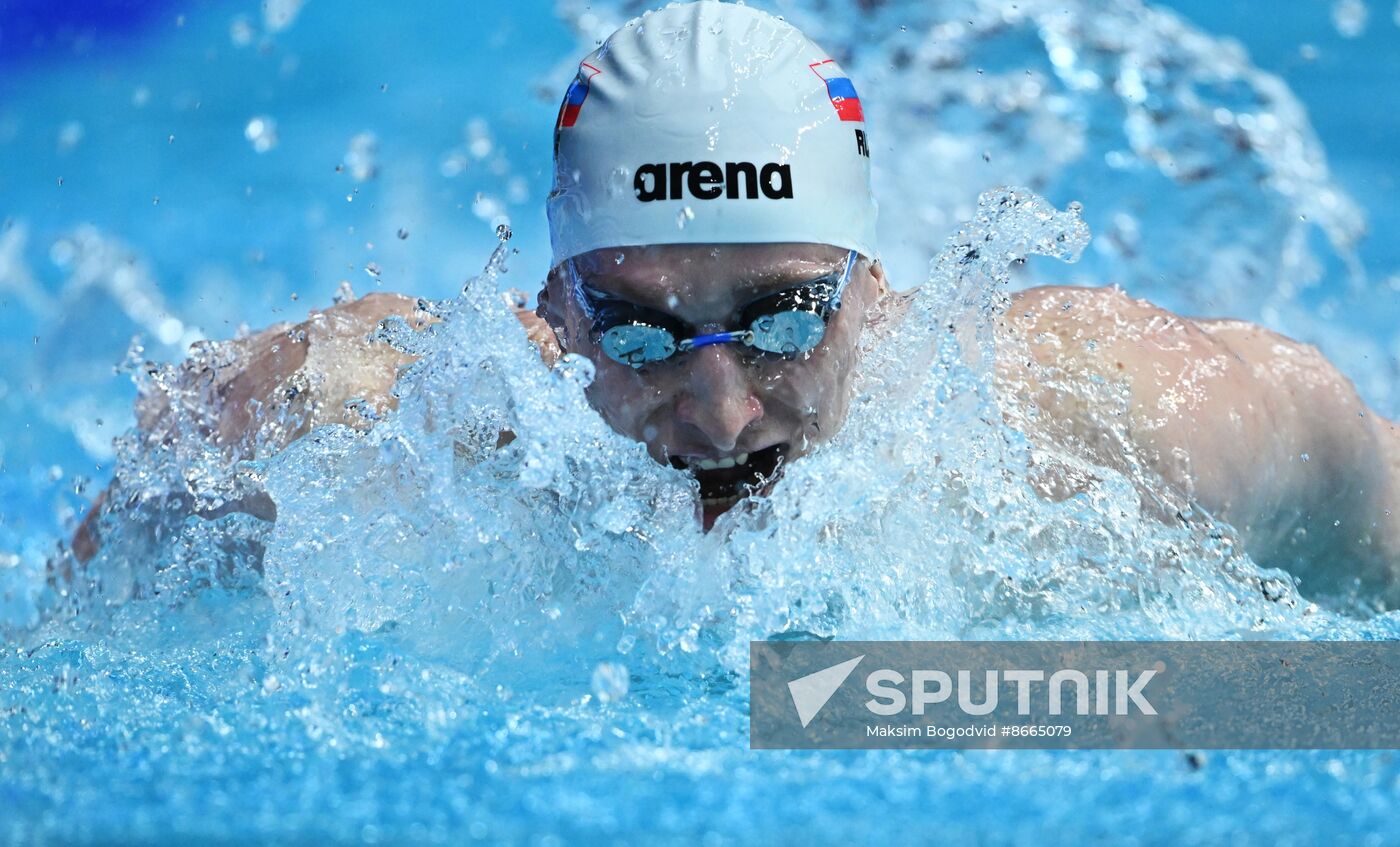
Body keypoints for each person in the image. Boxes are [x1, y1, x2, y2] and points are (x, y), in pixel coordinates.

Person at [75, 1, 1399, 597]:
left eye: (783, 316)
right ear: (549, 312)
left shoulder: (1113, 417)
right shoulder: (362, 425)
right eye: (640, 328)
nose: (719, 415)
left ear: (874, 296)